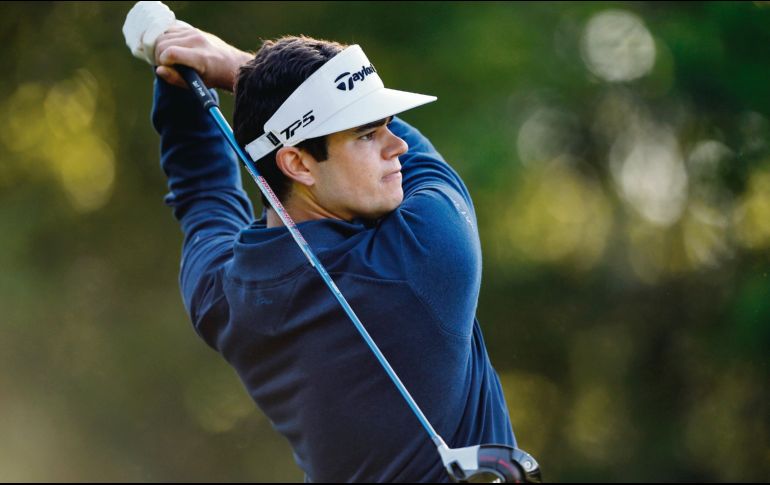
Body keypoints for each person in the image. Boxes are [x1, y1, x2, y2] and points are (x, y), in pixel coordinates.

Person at [151, 25, 517, 482]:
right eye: (366, 134)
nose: (395, 145)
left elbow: (202, 195)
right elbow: (424, 160)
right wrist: (235, 68)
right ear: (298, 163)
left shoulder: (223, 298)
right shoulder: (427, 254)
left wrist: (176, 90)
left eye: (386, 126)